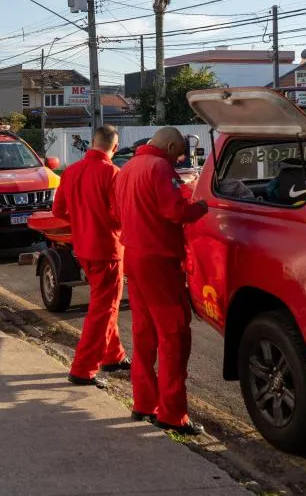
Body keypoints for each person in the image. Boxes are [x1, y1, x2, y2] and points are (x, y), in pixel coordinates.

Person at [114, 126, 209, 435]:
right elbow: (174, 211)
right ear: (169, 146)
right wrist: (202, 207)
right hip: (159, 261)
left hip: (135, 257)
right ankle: (171, 413)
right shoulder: (159, 167)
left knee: (144, 334)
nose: (179, 160)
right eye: (178, 154)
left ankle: (143, 402)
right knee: (174, 336)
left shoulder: (128, 168)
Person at [53, 125, 129, 389]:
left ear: (91, 143)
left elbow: (59, 209)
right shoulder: (112, 174)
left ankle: (113, 355)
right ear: (115, 148)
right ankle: (83, 369)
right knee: (104, 309)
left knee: (105, 304)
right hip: (107, 248)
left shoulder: (71, 171)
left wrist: (82, 223)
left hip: (83, 247)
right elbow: (120, 216)